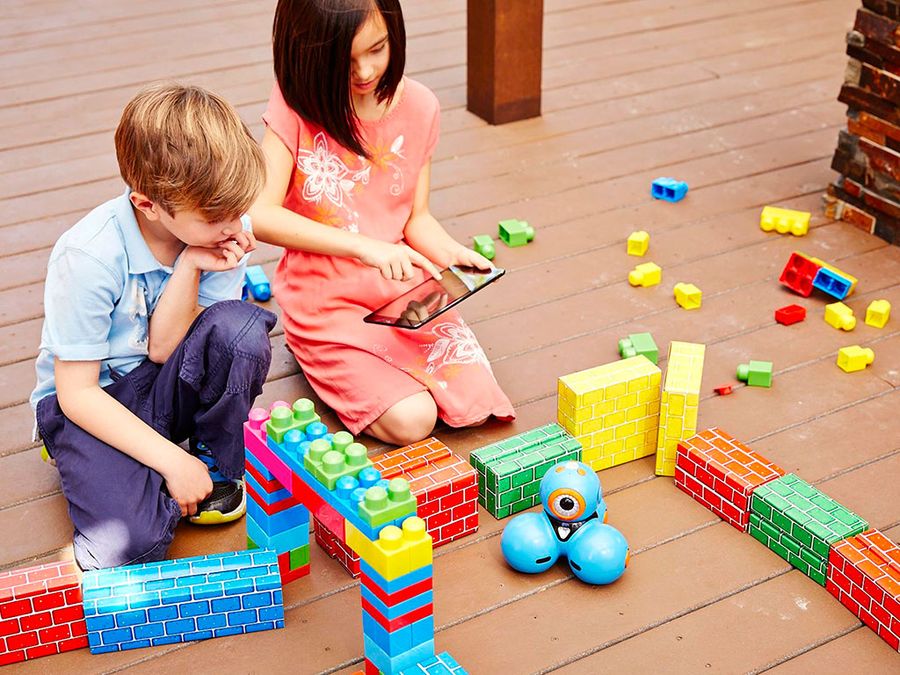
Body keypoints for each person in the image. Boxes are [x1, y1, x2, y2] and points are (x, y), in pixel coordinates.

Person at [30, 83, 277, 570]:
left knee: (240, 330)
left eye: (237, 211)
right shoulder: (88, 255)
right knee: (132, 546)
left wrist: (190, 266)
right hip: (92, 401)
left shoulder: (217, 228)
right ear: (147, 205)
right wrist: (170, 461)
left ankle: (210, 459)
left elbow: (166, 349)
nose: (235, 226)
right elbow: (76, 393)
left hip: (162, 382)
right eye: (216, 217)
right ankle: (106, 462)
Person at [251, 0, 515, 446]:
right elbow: (259, 214)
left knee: (471, 402)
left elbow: (418, 219)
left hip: (398, 296)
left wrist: (451, 253)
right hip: (324, 302)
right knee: (414, 419)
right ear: (308, 54)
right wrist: (364, 247)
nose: (365, 71)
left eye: (377, 48)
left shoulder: (420, 106)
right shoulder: (295, 106)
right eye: (344, 60)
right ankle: (313, 350)